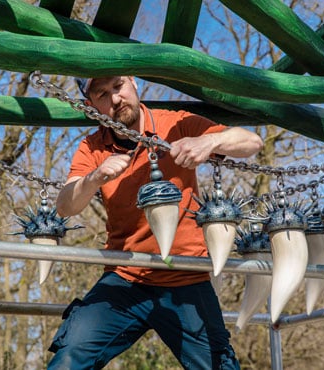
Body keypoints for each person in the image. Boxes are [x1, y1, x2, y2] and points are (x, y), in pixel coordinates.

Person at [49, 75, 263, 369]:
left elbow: (252, 142)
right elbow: (65, 205)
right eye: (101, 94)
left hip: (186, 276)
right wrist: (94, 178)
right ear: (90, 105)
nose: (114, 99)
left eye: (117, 87)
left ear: (133, 83)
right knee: (68, 357)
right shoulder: (92, 146)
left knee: (218, 365)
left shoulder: (176, 124)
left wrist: (209, 141)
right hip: (124, 279)